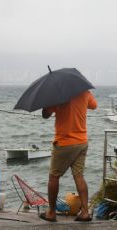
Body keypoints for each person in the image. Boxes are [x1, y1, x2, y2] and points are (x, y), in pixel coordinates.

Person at [39, 90, 97, 222]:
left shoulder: (58, 95)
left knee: (53, 177)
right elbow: (94, 105)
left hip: (65, 142)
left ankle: (51, 213)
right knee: (79, 176)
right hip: (82, 141)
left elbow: (45, 115)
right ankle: (85, 212)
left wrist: (47, 102)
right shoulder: (84, 92)